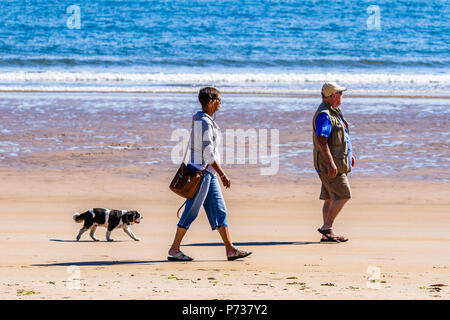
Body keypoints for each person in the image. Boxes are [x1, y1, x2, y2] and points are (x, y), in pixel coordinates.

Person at [168, 87, 252, 261]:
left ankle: (230, 249)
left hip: (208, 174)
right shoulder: (204, 122)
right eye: (219, 100)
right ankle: (174, 249)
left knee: (220, 211)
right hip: (202, 174)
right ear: (212, 102)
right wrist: (223, 174)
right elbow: (208, 154)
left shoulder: (204, 120)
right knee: (191, 212)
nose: (221, 103)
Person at [312, 82, 355, 243]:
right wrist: (330, 164)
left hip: (337, 161)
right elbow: (322, 141)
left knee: (330, 197)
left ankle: (326, 233)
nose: (342, 96)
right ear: (332, 96)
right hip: (329, 165)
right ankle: (327, 228)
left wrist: (350, 155)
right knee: (344, 194)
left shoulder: (335, 112)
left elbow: (342, 136)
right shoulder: (324, 114)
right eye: (340, 93)